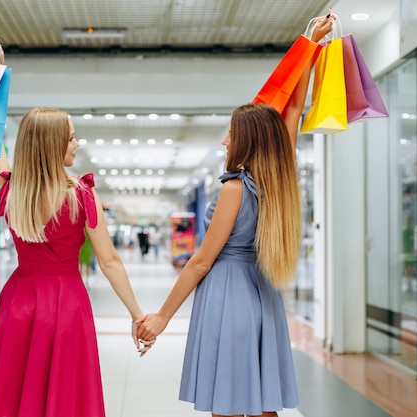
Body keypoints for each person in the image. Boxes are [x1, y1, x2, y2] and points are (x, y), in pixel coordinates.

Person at [135, 12, 335, 417]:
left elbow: (202, 260)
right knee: (263, 403)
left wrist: (161, 317)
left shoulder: (234, 188)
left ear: (244, 139)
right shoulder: (277, 180)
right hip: (263, 296)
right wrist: (308, 49)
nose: (225, 138)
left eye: (230, 130)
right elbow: (293, 111)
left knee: (227, 404)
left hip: (228, 297)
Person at [0, 36, 150, 417]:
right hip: (67, 305)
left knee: (18, 398)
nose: (77, 144)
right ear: (52, 146)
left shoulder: (11, 189)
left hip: (19, 302)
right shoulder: (81, 196)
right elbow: (110, 261)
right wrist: (136, 314)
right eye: (71, 138)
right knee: (65, 400)